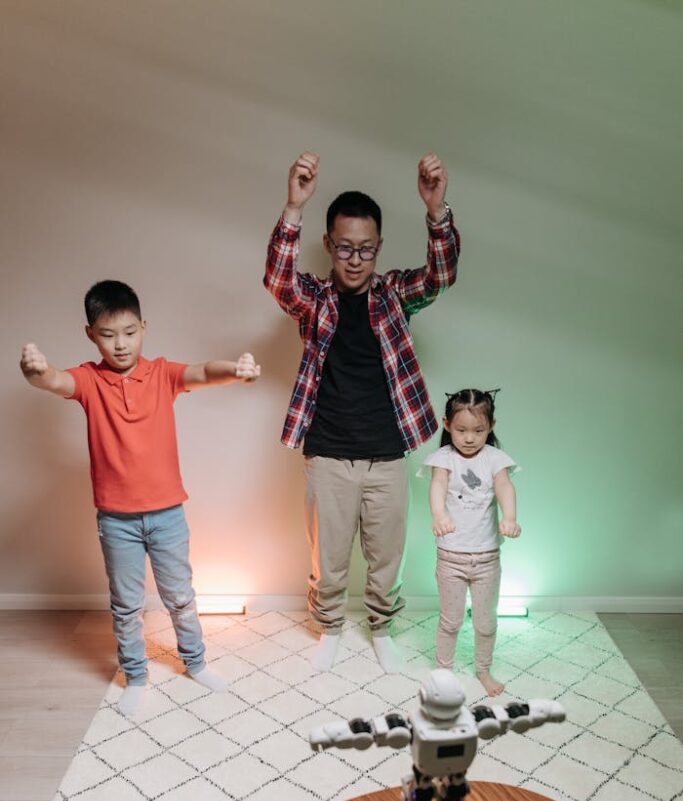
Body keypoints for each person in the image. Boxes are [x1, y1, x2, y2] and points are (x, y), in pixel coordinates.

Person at [19, 280, 260, 716]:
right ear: (91, 334)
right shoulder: (89, 381)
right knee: (126, 605)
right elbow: (53, 380)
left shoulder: (162, 374)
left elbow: (204, 371)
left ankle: (196, 662)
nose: (120, 344)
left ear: (144, 327)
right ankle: (136, 675)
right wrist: (35, 372)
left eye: (129, 332)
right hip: (116, 521)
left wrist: (236, 369)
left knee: (181, 597)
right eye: (108, 335)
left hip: (168, 514)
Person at [265, 152, 460, 672]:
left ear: (378, 247)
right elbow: (279, 282)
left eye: (366, 249)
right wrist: (293, 206)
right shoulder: (314, 299)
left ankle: (381, 627)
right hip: (328, 453)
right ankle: (328, 627)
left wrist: (436, 211)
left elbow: (440, 278)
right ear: (329, 245)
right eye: (345, 248)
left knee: (386, 559)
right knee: (327, 561)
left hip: (387, 455)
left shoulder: (394, 294)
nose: (355, 259)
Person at [424, 389, 521, 697]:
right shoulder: (443, 459)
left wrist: (510, 517)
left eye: (478, 430)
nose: (469, 438)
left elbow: (505, 486)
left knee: (485, 621)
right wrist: (439, 515)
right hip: (451, 557)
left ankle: (483, 669)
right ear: (447, 425)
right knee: (450, 621)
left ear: (491, 425)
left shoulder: (496, 459)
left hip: (487, 559)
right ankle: (443, 670)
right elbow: (438, 486)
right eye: (461, 430)